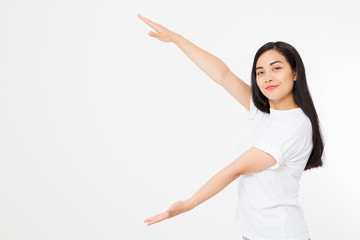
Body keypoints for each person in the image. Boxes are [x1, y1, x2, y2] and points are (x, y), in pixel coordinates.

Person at [138, 13, 324, 240]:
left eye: (276, 68)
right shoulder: (267, 113)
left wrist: (189, 204)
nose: (267, 77)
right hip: (254, 234)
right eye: (260, 72)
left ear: (295, 73)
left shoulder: (293, 127)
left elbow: (235, 169)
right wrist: (177, 39)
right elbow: (223, 75)